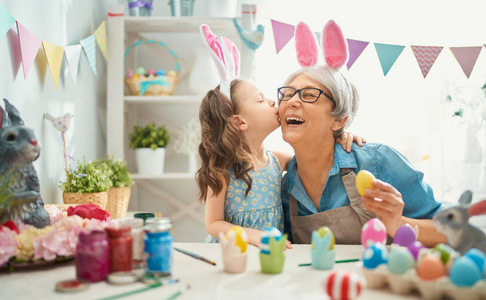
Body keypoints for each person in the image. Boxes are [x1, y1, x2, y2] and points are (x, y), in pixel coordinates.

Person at [196, 24, 365, 248]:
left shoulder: (276, 160)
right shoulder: (222, 168)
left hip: (272, 250)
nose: (273, 102)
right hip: (233, 251)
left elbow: (315, 155)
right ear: (240, 121)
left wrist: (340, 134)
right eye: (260, 100)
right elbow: (213, 224)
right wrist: (252, 236)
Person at [279, 20, 445, 247]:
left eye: (309, 95)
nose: (292, 101)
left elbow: (452, 231)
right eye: (286, 95)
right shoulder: (284, 187)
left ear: (339, 120)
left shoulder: (377, 162)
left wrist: (397, 223)